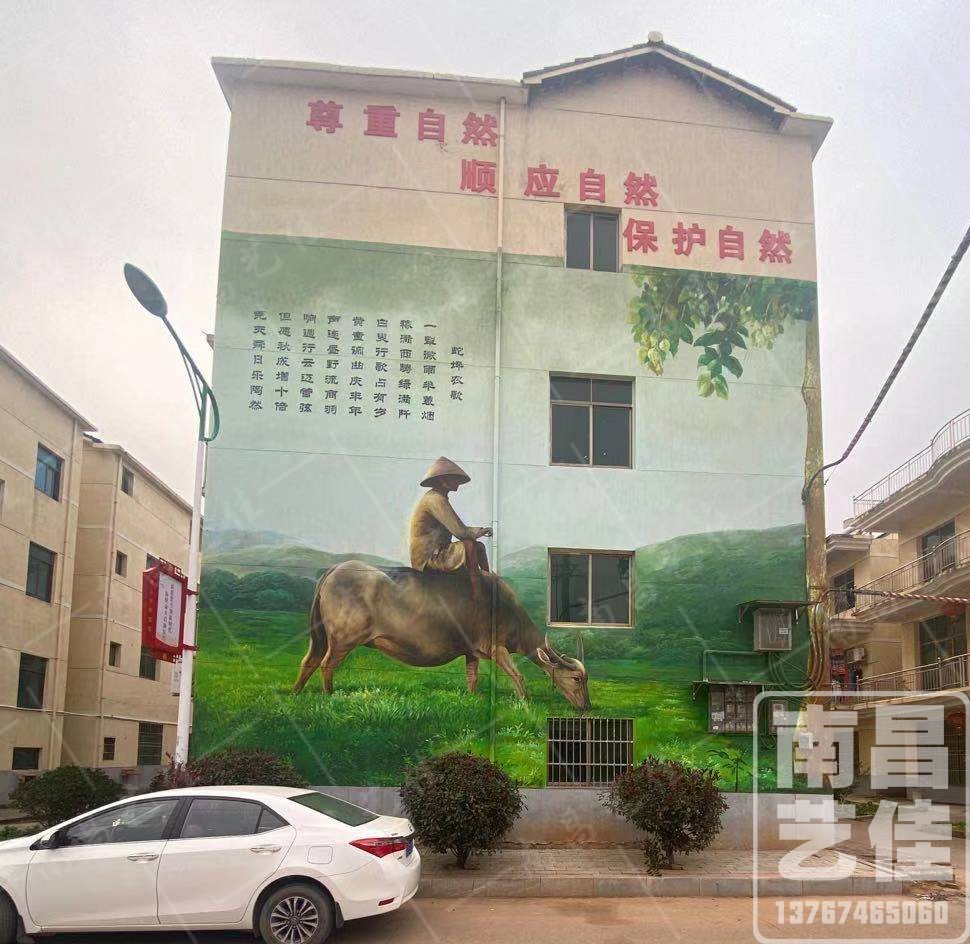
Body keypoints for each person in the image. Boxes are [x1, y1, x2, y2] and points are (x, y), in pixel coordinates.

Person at [409, 457, 492, 592]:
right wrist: (482, 531)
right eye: (454, 478)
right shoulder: (435, 499)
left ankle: (488, 584)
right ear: (442, 480)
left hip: (438, 552)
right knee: (469, 545)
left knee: (479, 547)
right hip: (429, 558)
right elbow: (460, 532)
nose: (457, 482)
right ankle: (478, 593)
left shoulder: (438, 497)